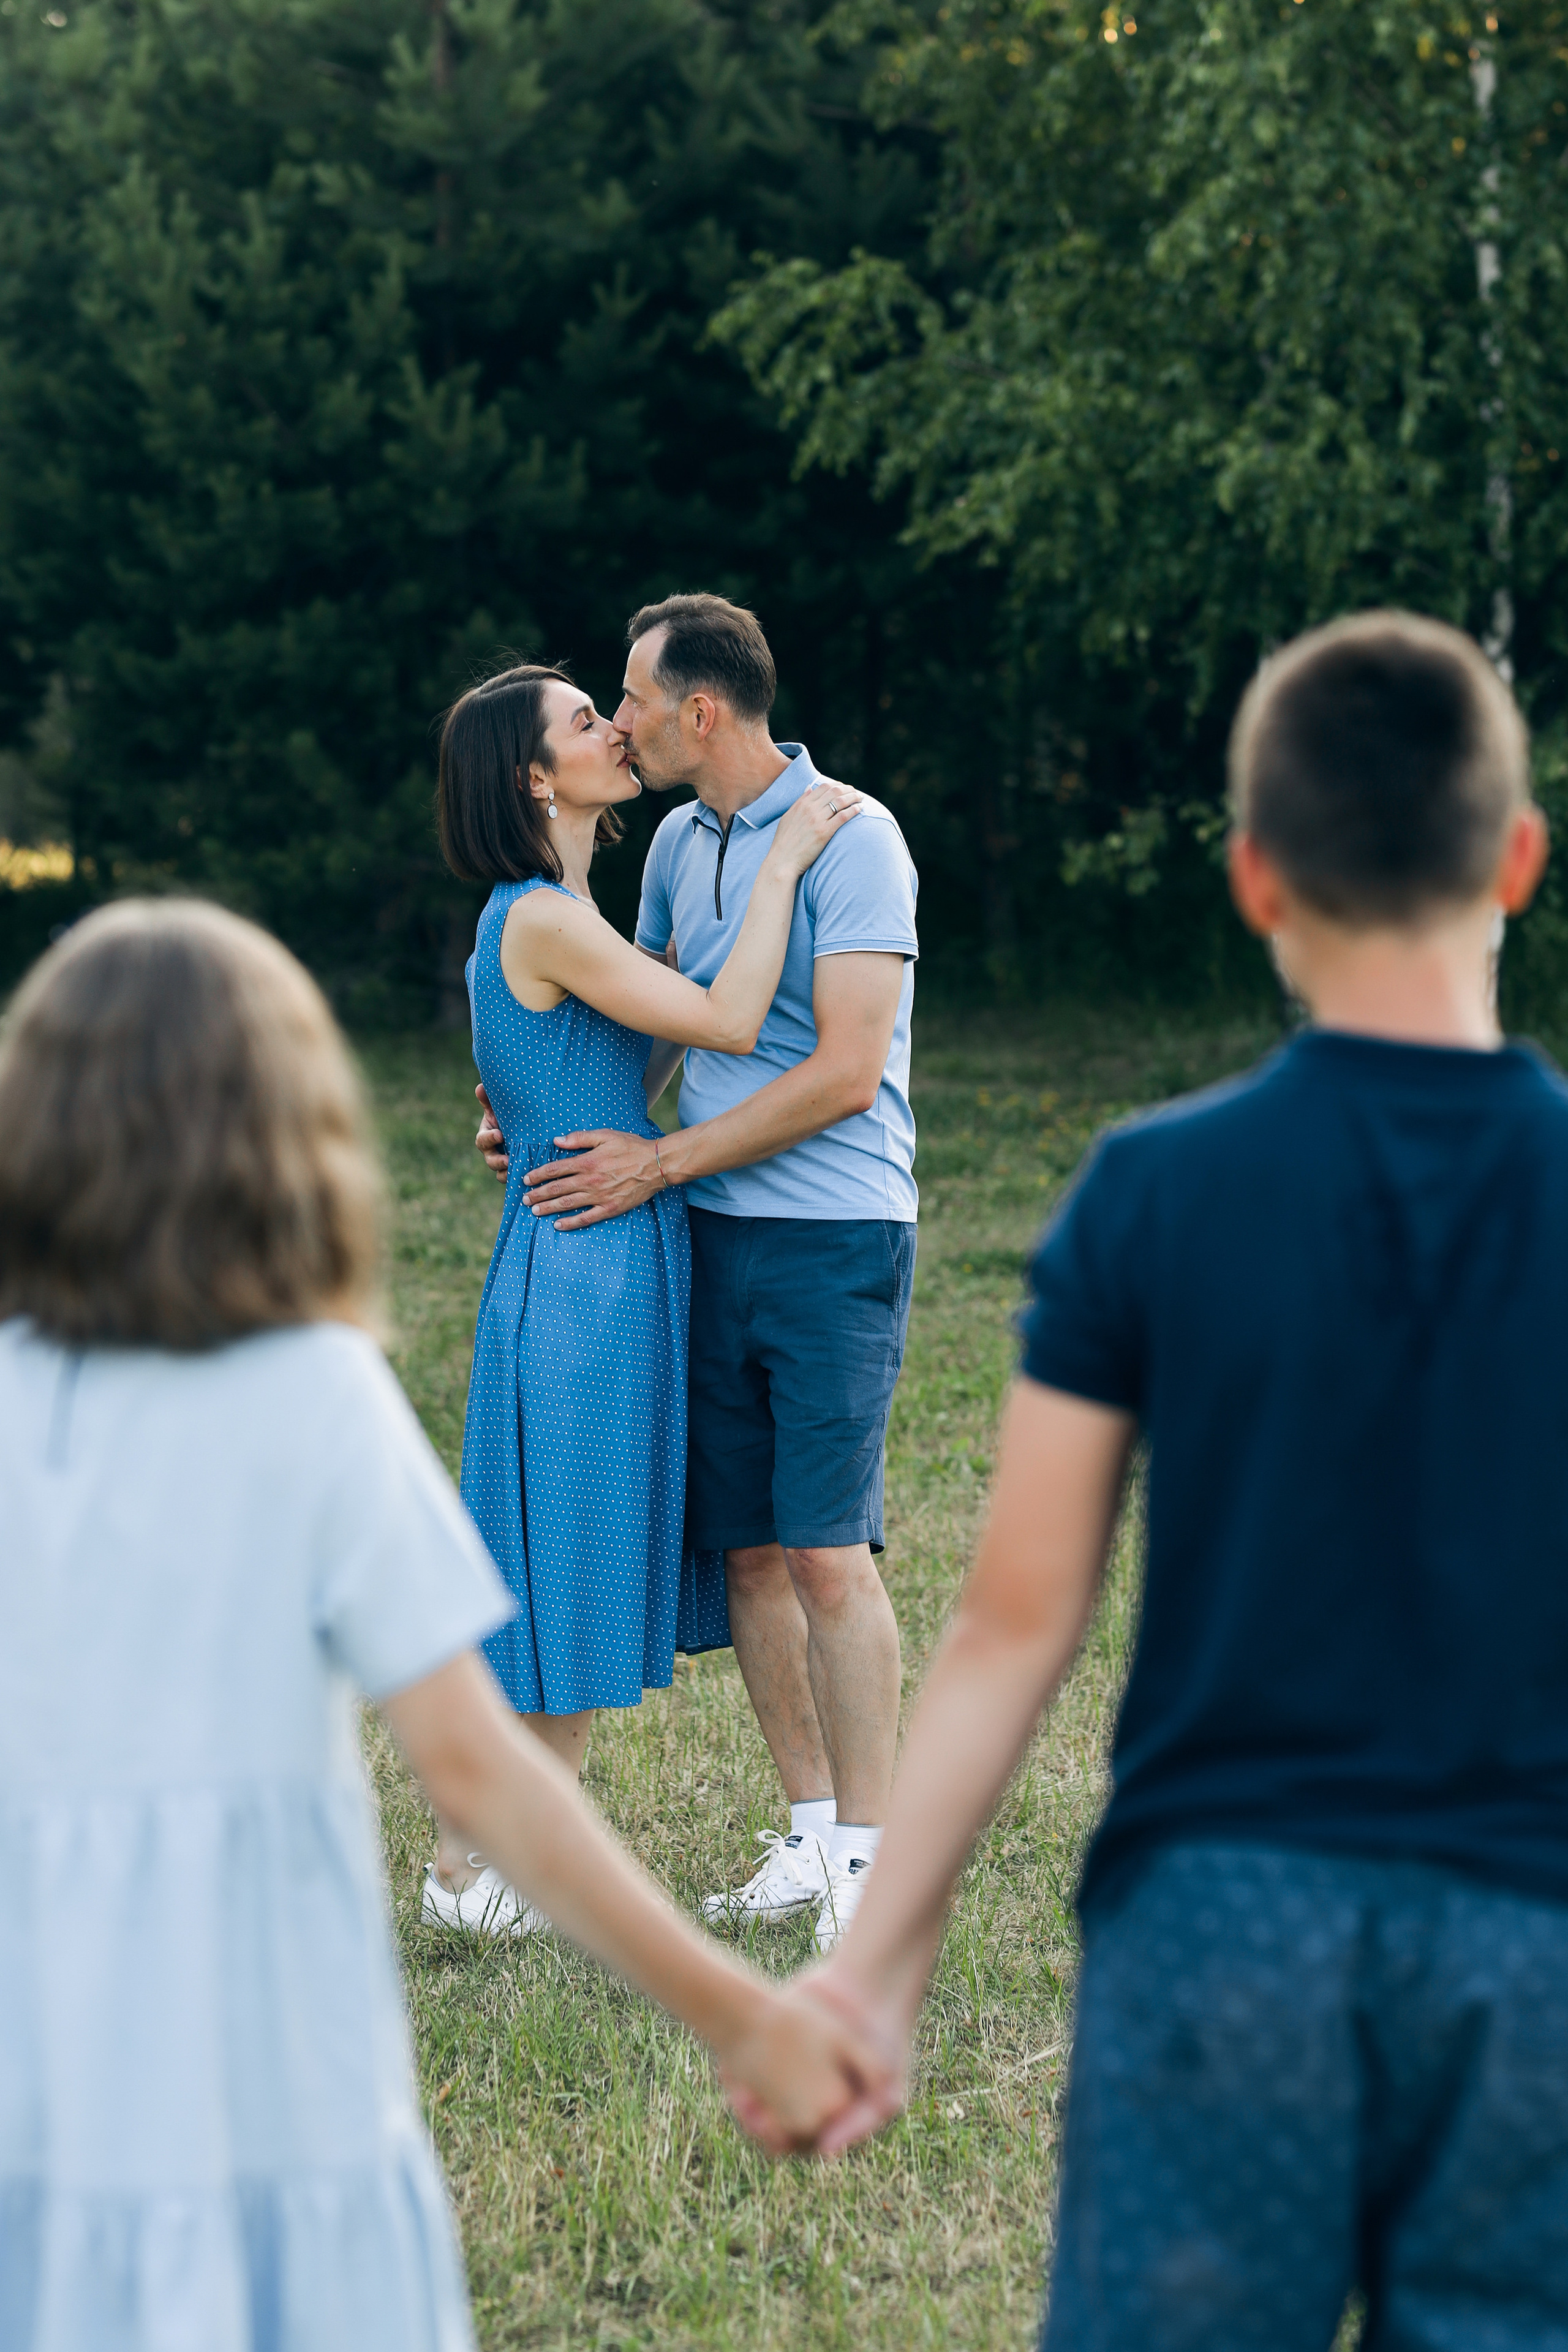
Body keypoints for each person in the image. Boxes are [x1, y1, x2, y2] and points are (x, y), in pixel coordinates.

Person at [767, 611, 1568, 2348]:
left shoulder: (1156, 1191)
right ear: (1517, 860)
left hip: (1224, 1923)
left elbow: (1013, 1626)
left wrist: (874, 1973)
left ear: (1253, 877)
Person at [0, 899, 884, 2352]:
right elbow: (479, 1771)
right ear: (287, 1125)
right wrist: (738, 2013)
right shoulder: (310, 1398)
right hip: (282, 2053)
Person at [478, 595, 919, 1952]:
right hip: (707, 1231)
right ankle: (809, 1836)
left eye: (630, 697)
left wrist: (657, 1160)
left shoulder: (852, 835)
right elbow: (655, 1015)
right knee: (747, 1560)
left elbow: (846, 1074)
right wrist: (547, 1104)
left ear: (701, 709)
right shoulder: (674, 843)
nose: (621, 719)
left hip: (830, 1233)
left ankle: (872, 1862)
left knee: (826, 1552)